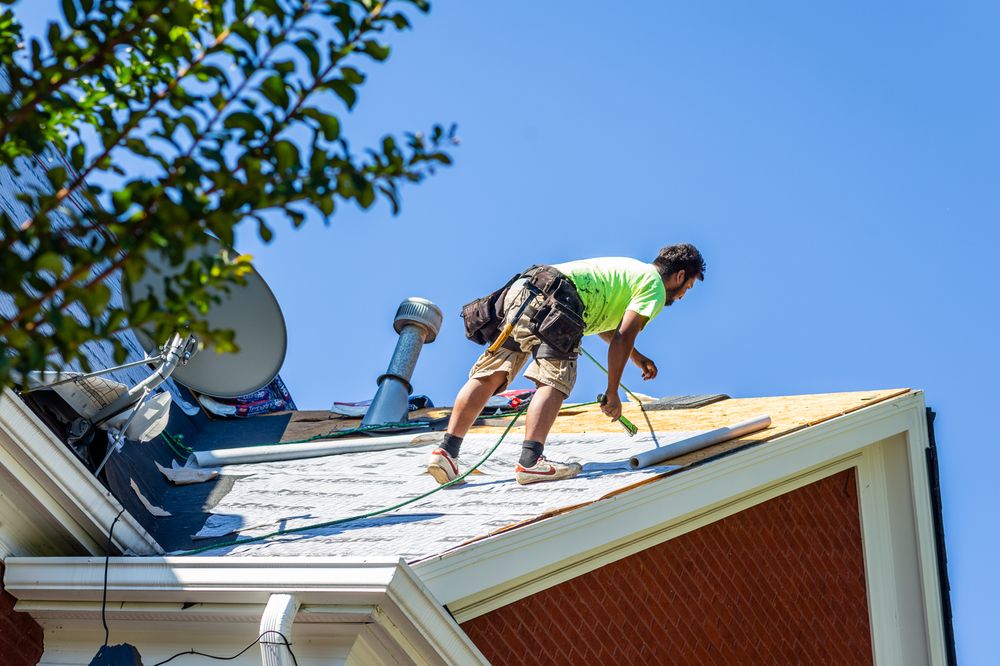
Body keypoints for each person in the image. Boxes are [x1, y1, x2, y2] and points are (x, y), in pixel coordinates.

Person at [427, 244, 705, 485]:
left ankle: (446, 453)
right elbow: (623, 336)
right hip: (558, 302)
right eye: (688, 287)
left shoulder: (630, 269)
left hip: (524, 289)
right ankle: (531, 461)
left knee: (491, 375)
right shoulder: (654, 287)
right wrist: (613, 392)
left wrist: (637, 357)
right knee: (554, 380)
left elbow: (605, 326)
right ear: (680, 276)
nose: (682, 296)